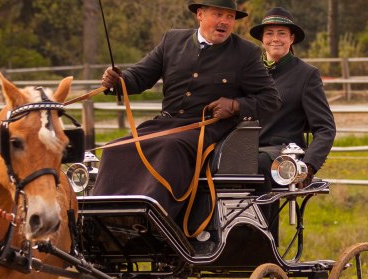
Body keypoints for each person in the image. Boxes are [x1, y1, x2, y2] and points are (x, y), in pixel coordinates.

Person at [92, 0, 281, 222]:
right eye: (218, 14)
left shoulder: (246, 53)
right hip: (165, 123)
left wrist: (234, 106)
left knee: (170, 146)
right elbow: (139, 76)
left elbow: (271, 100)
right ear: (200, 15)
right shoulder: (172, 40)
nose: (224, 21)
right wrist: (117, 80)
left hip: (208, 130)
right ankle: (102, 218)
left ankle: (153, 220)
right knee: (116, 148)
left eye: (229, 17)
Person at [250, 7, 336, 189]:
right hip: (245, 148)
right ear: (262, 39)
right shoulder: (250, 71)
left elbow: (325, 128)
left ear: (291, 38)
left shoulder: (306, 75)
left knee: (260, 164)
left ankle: (262, 219)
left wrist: (309, 165)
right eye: (269, 33)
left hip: (282, 153)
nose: (275, 39)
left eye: (282, 33)